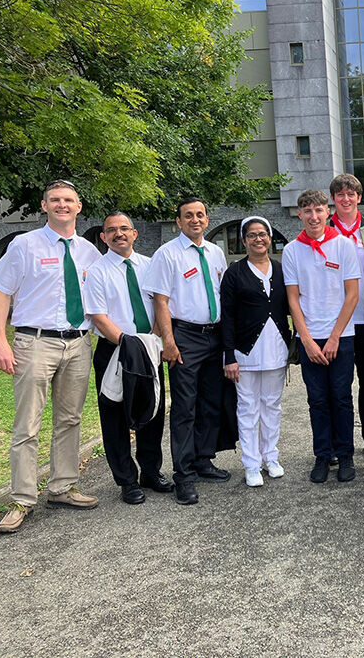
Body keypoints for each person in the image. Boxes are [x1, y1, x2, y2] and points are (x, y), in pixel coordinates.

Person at [0, 180, 101, 533]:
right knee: (27, 424)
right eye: (55, 200)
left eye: (68, 200)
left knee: (70, 418)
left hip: (78, 343)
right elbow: (2, 293)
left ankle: (62, 486)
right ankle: (22, 498)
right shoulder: (25, 245)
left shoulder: (89, 252)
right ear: (44, 205)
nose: (62, 205)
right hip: (34, 343)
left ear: (79, 206)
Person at [83, 212, 173, 505]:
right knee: (114, 415)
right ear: (103, 237)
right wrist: (127, 342)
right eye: (112, 230)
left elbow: (161, 305)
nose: (118, 234)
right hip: (115, 349)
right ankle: (126, 480)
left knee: (152, 411)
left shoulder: (150, 266)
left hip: (148, 347)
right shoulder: (97, 271)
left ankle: (150, 471)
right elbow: (98, 316)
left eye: (124, 229)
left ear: (135, 233)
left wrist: (153, 340)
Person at [144, 197, 230, 506]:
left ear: (207, 219)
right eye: (188, 216)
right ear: (178, 222)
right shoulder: (167, 255)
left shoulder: (216, 252)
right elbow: (161, 301)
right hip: (185, 336)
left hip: (214, 335)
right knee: (184, 407)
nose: (195, 220)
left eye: (200, 215)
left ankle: (204, 459)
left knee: (210, 402)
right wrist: (169, 341)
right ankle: (184, 474)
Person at [282, 189, 360, 483]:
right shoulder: (292, 250)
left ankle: (346, 455)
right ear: (299, 214)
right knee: (316, 400)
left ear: (328, 211)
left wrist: (335, 337)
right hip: (309, 338)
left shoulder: (344, 246)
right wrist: (306, 340)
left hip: (341, 336)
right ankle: (323, 455)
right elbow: (293, 299)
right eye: (307, 211)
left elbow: (352, 295)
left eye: (318, 210)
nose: (313, 217)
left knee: (341, 398)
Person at [220, 217, 291, 488]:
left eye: (262, 234)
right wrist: (229, 356)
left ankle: (270, 457)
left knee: (272, 406)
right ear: (244, 239)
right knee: (248, 408)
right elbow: (226, 316)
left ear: (270, 238)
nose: (258, 239)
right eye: (252, 235)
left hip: (276, 349)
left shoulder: (281, 270)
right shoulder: (234, 272)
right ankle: (251, 463)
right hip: (245, 352)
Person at [329, 174, 364, 459]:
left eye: (351, 194)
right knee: (337, 384)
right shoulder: (323, 230)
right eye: (340, 194)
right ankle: (338, 441)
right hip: (335, 321)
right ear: (333, 199)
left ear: (359, 198)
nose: (346, 199)